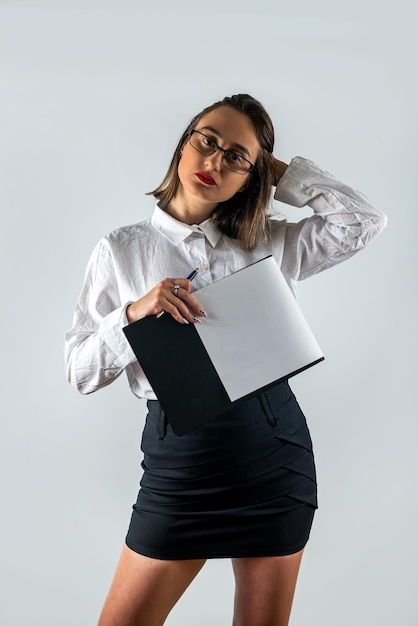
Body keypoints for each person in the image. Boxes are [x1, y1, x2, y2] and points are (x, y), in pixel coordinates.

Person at [65, 93, 387, 626]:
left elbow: (362, 221)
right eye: (207, 141)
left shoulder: (267, 242)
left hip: (272, 449)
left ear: (252, 175)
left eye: (236, 157)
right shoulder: (120, 250)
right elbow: (79, 373)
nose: (214, 162)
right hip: (180, 462)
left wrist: (275, 172)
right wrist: (133, 315)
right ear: (183, 144)